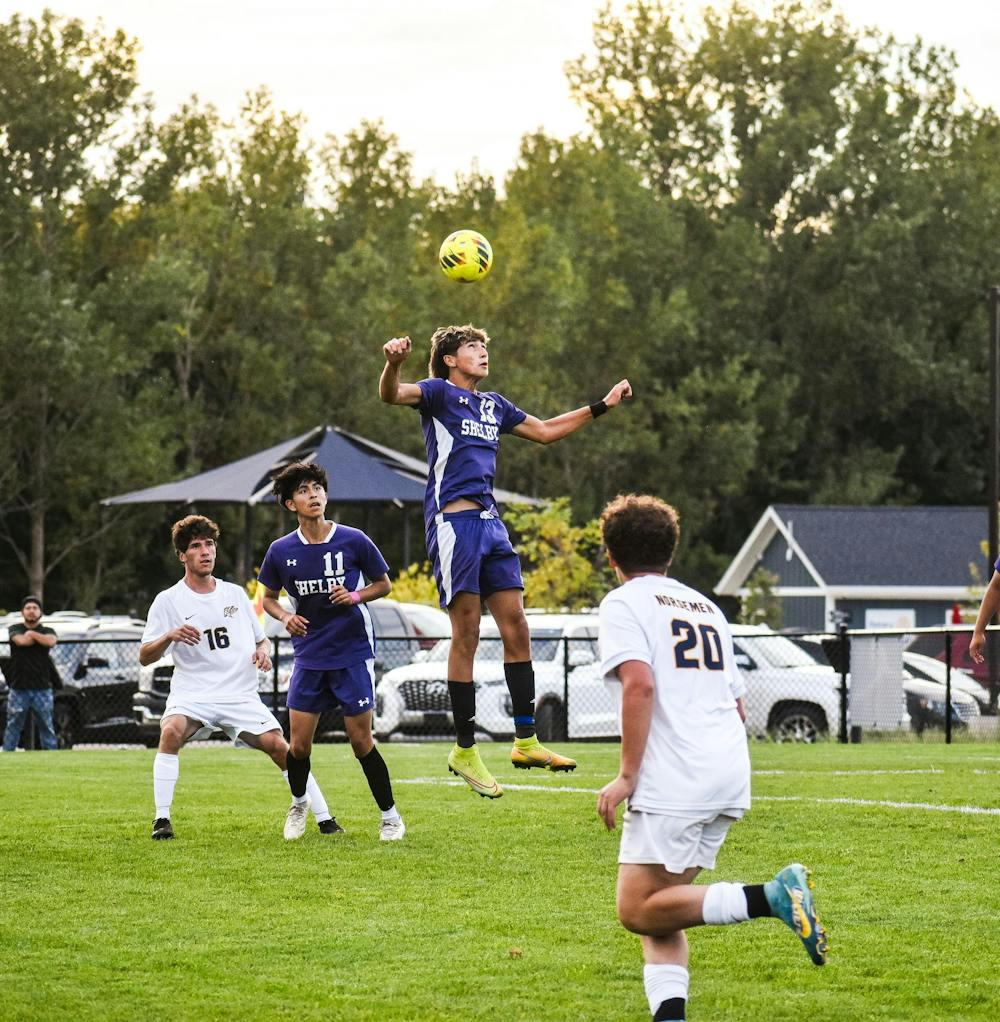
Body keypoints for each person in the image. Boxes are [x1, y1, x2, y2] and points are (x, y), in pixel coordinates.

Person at [594, 494, 827, 1022]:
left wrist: (628, 775)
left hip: (676, 777)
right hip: (724, 769)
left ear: (611, 555)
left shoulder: (624, 603)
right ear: (671, 553)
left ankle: (770, 897)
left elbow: (639, 685)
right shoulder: (705, 607)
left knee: (636, 910)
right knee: (663, 911)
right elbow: (738, 701)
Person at [379, 324, 632, 797]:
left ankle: (526, 739)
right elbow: (391, 395)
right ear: (451, 359)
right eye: (473, 347)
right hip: (454, 526)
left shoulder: (493, 404)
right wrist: (393, 362)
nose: (482, 353)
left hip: (492, 525)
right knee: (468, 632)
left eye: (483, 347)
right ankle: (465, 749)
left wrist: (602, 405)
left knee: (517, 625)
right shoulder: (436, 394)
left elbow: (545, 431)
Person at [139, 515, 341, 842]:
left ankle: (325, 818)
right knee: (171, 732)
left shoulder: (234, 594)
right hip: (193, 695)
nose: (205, 551)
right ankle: (161, 819)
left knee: (281, 747)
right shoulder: (168, 601)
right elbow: (145, 655)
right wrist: (170, 636)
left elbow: (261, 639)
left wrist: (263, 651)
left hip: (240, 696)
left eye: (209, 544)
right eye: (195, 546)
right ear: (182, 556)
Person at [258, 461, 405, 842]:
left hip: (352, 652)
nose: (314, 495)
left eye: (318, 488)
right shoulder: (281, 550)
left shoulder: (353, 539)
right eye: (304, 491)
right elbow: (269, 598)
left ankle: (390, 817)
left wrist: (355, 595)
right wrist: (285, 617)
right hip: (309, 654)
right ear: (291, 504)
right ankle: (298, 803)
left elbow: (384, 584)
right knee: (300, 744)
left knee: (361, 742)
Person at [2, 596, 59, 752]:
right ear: (22, 612)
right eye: (28, 608)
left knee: (46, 724)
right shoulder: (15, 629)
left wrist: (32, 635)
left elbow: (50, 641)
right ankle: (7, 755)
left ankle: (52, 756)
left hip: (42, 687)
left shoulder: (48, 631)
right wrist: (33, 638)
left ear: (40, 612)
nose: (31, 611)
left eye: (35, 608)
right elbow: (21, 641)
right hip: (19, 687)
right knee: (13, 724)